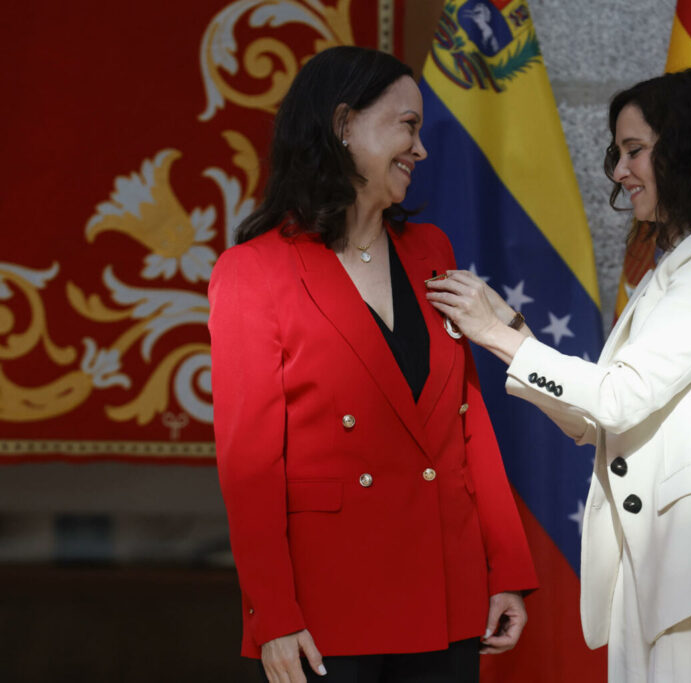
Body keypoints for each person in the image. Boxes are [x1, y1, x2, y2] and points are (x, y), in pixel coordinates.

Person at [426, 68, 691, 682]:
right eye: (618, 153)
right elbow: (595, 420)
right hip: (660, 563)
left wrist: (496, 333)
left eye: (634, 151)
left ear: (689, 150)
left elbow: (619, 398)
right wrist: (512, 333)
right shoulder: (674, 266)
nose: (619, 171)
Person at [208, 46, 537, 683]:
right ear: (343, 125)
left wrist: (506, 571)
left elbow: (466, 422)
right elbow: (249, 468)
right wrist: (272, 615)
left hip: (447, 594)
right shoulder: (253, 271)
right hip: (327, 610)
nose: (421, 149)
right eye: (407, 126)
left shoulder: (431, 250)